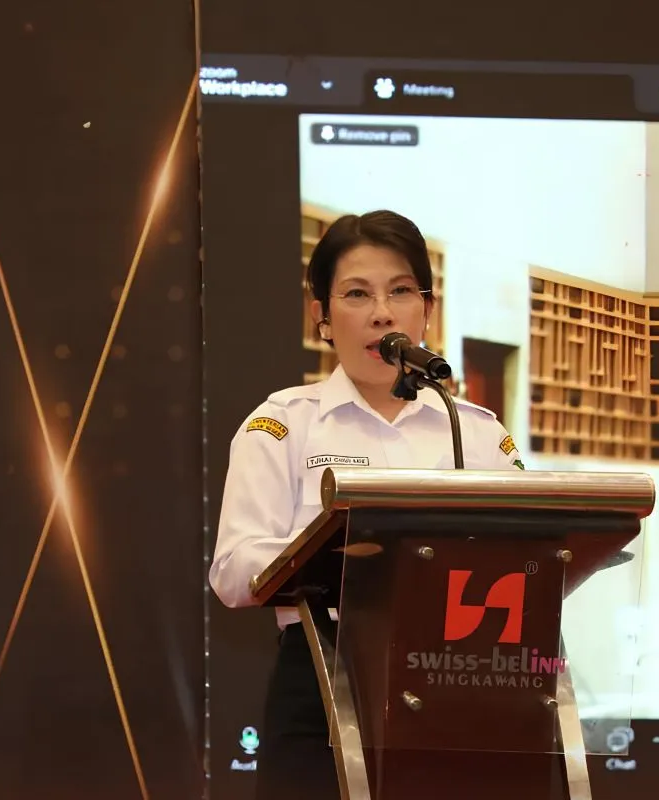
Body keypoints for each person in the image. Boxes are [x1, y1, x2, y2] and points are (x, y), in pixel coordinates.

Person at [208, 210, 525, 800]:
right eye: (357, 294)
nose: (382, 312)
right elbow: (232, 571)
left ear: (426, 310)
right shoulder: (283, 424)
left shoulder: (476, 431)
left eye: (401, 291)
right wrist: (331, 552)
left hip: (464, 682)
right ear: (322, 318)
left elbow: (536, 553)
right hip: (325, 678)